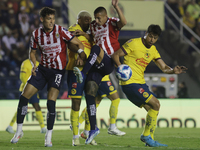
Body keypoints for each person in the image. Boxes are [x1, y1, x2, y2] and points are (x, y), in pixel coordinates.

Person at [10, 7, 85, 147]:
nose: (51, 21)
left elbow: (78, 43)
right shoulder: (36, 34)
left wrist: (81, 54)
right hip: (42, 69)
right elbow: (32, 53)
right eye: (49, 19)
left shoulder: (60, 31)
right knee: (23, 96)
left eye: (53, 18)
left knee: (51, 103)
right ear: (42, 19)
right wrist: (33, 64)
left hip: (57, 72)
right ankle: (19, 131)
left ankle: (48, 136)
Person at [111, 24, 187, 147]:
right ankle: (146, 136)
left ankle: (149, 139)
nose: (151, 39)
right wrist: (120, 67)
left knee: (153, 109)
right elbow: (115, 55)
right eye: (150, 36)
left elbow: (163, 67)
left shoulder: (153, 50)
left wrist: (173, 70)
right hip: (130, 83)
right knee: (156, 103)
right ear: (146, 33)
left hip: (141, 83)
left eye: (155, 38)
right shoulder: (133, 43)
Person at [73, 0, 127, 144]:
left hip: (108, 60)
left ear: (105, 16)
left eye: (99, 18)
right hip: (97, 65)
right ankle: (93, 129)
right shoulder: (93, 26)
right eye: (95, 18)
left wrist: (116, 7)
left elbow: (124, 22)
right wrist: (84, 34)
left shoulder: (112, 22)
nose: (96, 20)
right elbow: (92, 37)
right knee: (89, 93)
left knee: (96, 48)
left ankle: (83, 73)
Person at [79, 74, 126, 140]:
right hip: (103, 79)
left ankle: (80, 126)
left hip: (95, 79)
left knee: (94, 104)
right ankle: (112, 127)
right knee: (115, 99)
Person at [6, 58, 46, 134]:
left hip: (34, 89)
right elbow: (22, 76)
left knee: (36, 106)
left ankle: (43, 128)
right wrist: (28, 87)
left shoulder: (38, 64)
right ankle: (10, 126)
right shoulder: (25, 63)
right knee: (23, 107)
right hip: (25, 89)